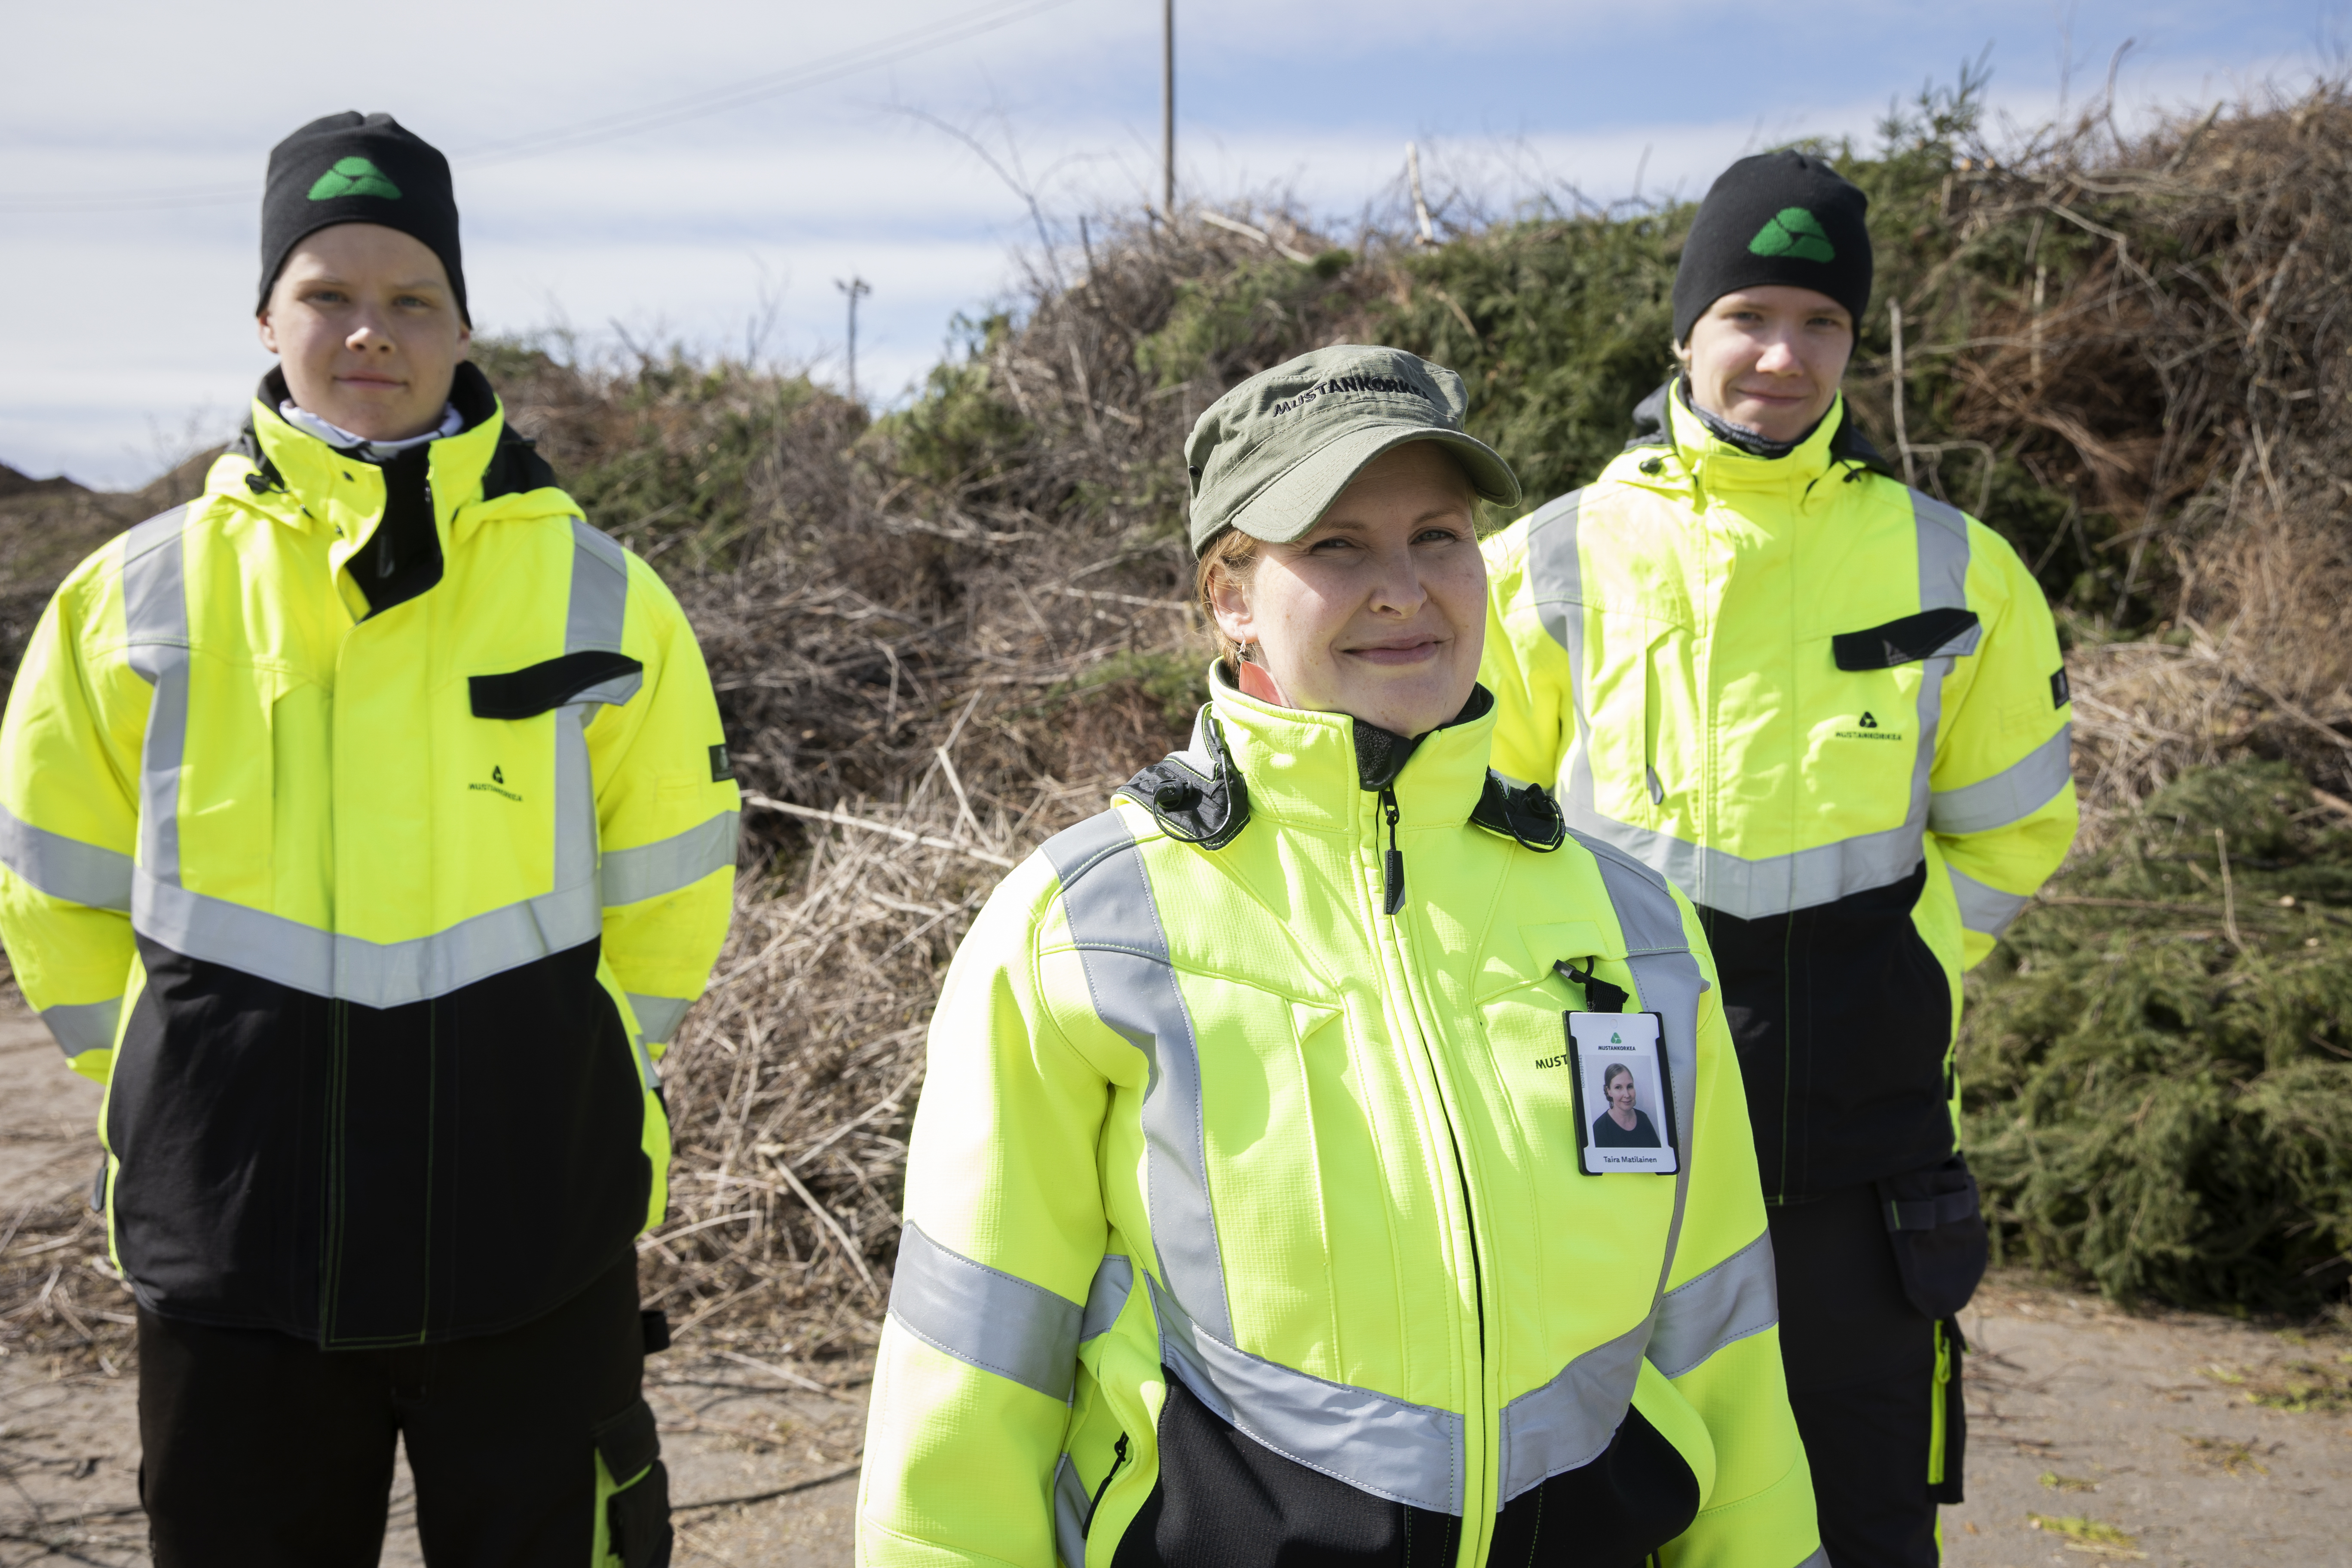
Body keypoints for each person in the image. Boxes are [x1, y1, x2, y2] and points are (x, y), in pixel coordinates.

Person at [858, 345, 1825, 1568]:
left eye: (1438, 535)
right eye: (1335, 548)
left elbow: (1721, 1340)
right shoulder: (1086, 927)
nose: (1405, 590)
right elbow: (968, 1379)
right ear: (1230, 595)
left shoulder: (1632, 925)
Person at [0, 112, 738, 1568]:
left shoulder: (606, 595)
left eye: (411, 299)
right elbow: (52, 894)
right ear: (266, 314)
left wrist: (578, 1067)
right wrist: (174, 1086)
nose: (368, 332)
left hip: (536, 1232)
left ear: (465, 323)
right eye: (328, 292)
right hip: (232, 1244)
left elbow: (674, 891)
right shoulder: (127, 601)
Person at [1479, 150, 2077, 1567]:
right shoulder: (1541, 562)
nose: (1782, 355)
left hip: (1856, 1149)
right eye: (1748, 313)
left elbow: (2016, 823)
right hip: (1611, 1142)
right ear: (1684, 330)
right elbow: (1468, 836)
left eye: (1823, 325)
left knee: (1855, 1515)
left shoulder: (1958, 566)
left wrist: (1912, 962)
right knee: (1595, 1510)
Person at [1592, 1063, 1661, 1148]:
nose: (1627, 1095)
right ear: (1609, 1091)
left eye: (1630, 1087)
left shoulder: (1643, 1118)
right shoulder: (1600, 1129)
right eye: (1618, 1088)